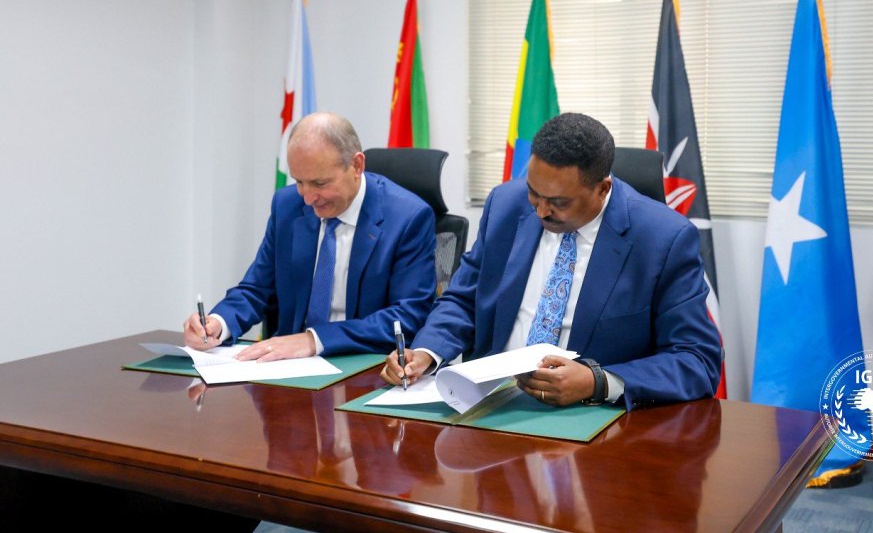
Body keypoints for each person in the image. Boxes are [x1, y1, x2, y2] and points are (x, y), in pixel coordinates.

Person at [381, 113, 721, 409]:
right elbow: (464, 300)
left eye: (559, 202)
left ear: (603, 188)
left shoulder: (663, 239)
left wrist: (597, 381)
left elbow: (696, 360)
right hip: (490, 403)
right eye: (534, 192)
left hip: (591, 417)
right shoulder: (506, 204)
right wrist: (427, 352)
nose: (541, 211)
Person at [183, 112, 437, 360]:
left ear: (357, 165)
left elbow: (408, 316)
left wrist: (314, 340)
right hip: (289, 367)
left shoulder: (408, 218)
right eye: (299, 182)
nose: (307, 198)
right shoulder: (287, 206)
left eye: (319, 183)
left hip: (365, 366)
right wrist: (218, 322)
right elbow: (257, 289)